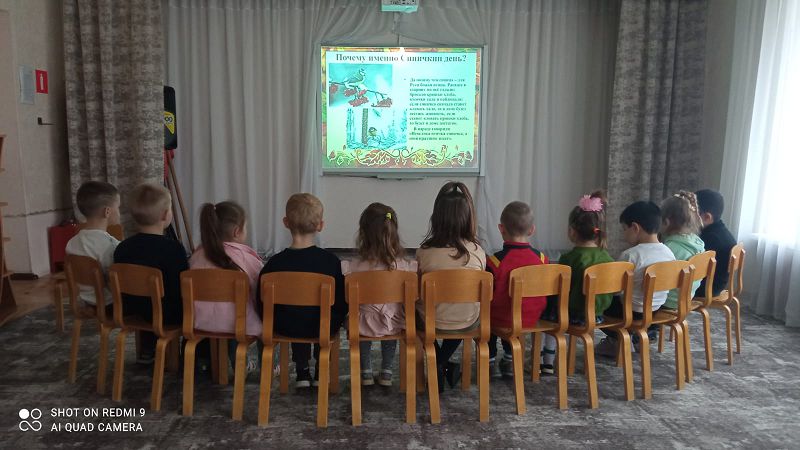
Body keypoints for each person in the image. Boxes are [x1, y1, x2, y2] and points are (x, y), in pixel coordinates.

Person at [257, 193, 347, 388]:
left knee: (296, 313)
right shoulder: (331, 262)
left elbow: (260, 300)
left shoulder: (274, 264)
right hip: (322, 327)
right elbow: (342, 301)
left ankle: (302, 371)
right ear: (320, 225)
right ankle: (321, 369)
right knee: (321, 316)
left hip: (284, 326)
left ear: (286, 223)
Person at [416, 182, 486, 391]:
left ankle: (437, 362)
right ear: (469, 219)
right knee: (460, 310)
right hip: (469, 321)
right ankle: (442, 363)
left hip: (431, 320)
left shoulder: (424, 252)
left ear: (436, 218)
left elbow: (417, 291)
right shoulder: (478, 252)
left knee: (409, 309)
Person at [342, 203, 417, 387]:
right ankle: (387, 371)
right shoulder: (405, 267)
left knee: (358, 321)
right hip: (393, 324)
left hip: (362, 325)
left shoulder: (354, 267)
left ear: (363, 234)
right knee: (394, 319)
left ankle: (366, 372)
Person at [114, 183, 189, 364]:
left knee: (150, 300)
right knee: (189, 302)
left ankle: (148, 347)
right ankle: (190, 355)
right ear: (165, 215)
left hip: (131, 309)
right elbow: (180, 288)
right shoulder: (174, 249)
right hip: (167, 315)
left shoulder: (122, 248)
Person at [541, 191, 614, 374]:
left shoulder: (569, 258)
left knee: (547, 310)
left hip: (573, 315)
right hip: (597, 315)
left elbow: (558, 289)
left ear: (572, 231)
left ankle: (547, 361)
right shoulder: (608, 259)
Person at [190, 201, 264, 373]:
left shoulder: (196, 256)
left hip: (199, 322)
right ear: (237, 231)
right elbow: (261, 287)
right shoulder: (244, 257)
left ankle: (230, 364)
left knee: (232, 310)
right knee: (265, 315)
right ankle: (268, 365)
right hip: (238, 323)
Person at [596, 201, 675, 357]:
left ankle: (616, 341)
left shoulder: (631, 255)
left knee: (598, 304)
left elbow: (614, 288)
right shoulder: (669, 253)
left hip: (629, 312)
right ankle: (634, 338)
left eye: (624, 229)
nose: (624, 234)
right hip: (655, 310)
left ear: (635, 228)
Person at [486, 201, 548, 378]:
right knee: (513, 310)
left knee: (486, 315)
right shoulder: (542, 259)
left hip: (501, 319)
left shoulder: (494, 262)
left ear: (501, 228)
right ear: (532, 230)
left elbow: (486, 296)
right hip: (532, 317)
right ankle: (509, 358)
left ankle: (490, 360)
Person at [65, 181, 121, 307]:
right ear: (107, 212)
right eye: (118, 207)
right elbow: (115, 279)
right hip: (109, 303)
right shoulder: (110, 245)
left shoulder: (72, 242)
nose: (119, 212)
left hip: (86, 300)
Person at [660, 191, 705, 310]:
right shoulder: (698, 242)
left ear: (666, 222)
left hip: (668, 301)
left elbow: (659, 279)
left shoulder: (670, 248)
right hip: (686, 298)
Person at [695, 189, 737, 296]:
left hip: (706, 288)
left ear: (707, 217)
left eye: (691, 214)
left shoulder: (711, 239)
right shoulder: (721, 231)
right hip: (717, 285)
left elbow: (693, 265)